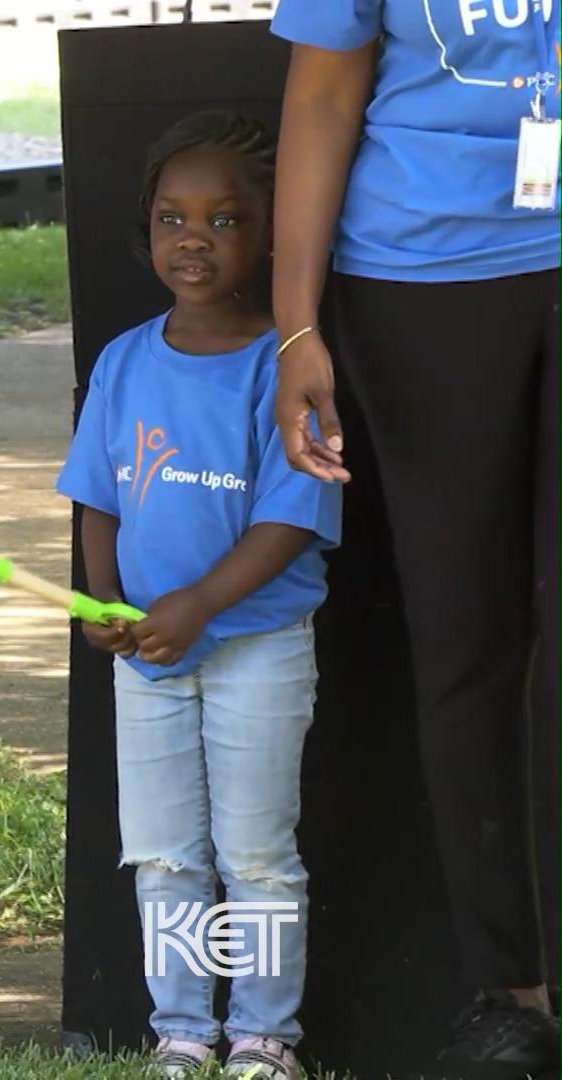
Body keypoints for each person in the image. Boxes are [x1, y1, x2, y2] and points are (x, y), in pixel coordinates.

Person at [271, 1, 560, 1071]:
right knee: (467, 643)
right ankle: (511, 996)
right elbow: (323, 90)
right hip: (424, 275)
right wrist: (296, 323)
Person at [58, 112, 336, 1080]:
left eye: (224, 220)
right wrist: (107, 602)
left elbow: (291, 522)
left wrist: (196, 605)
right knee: (167, 857)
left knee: (257, 855)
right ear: (148, 230)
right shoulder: (128, 360)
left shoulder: (284, 366)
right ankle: (184, 1031)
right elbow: (96, 496)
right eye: (174, 218)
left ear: (270, 232)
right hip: (151, 658)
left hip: (256, 646)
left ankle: (264, 1039)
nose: (195, 239)